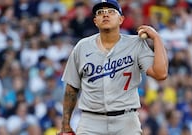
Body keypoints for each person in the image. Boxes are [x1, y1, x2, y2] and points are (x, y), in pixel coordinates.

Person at [58, 0, 168, 135]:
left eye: (111, 12)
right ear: (95, 21)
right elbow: (71, 88)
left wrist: (157, 38)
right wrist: (65, 124)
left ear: (121, 19)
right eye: (100, 13)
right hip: (91, 120)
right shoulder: (82, 47)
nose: (105, 15)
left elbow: (160, 74)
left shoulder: (136, 44)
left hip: (126, 120)